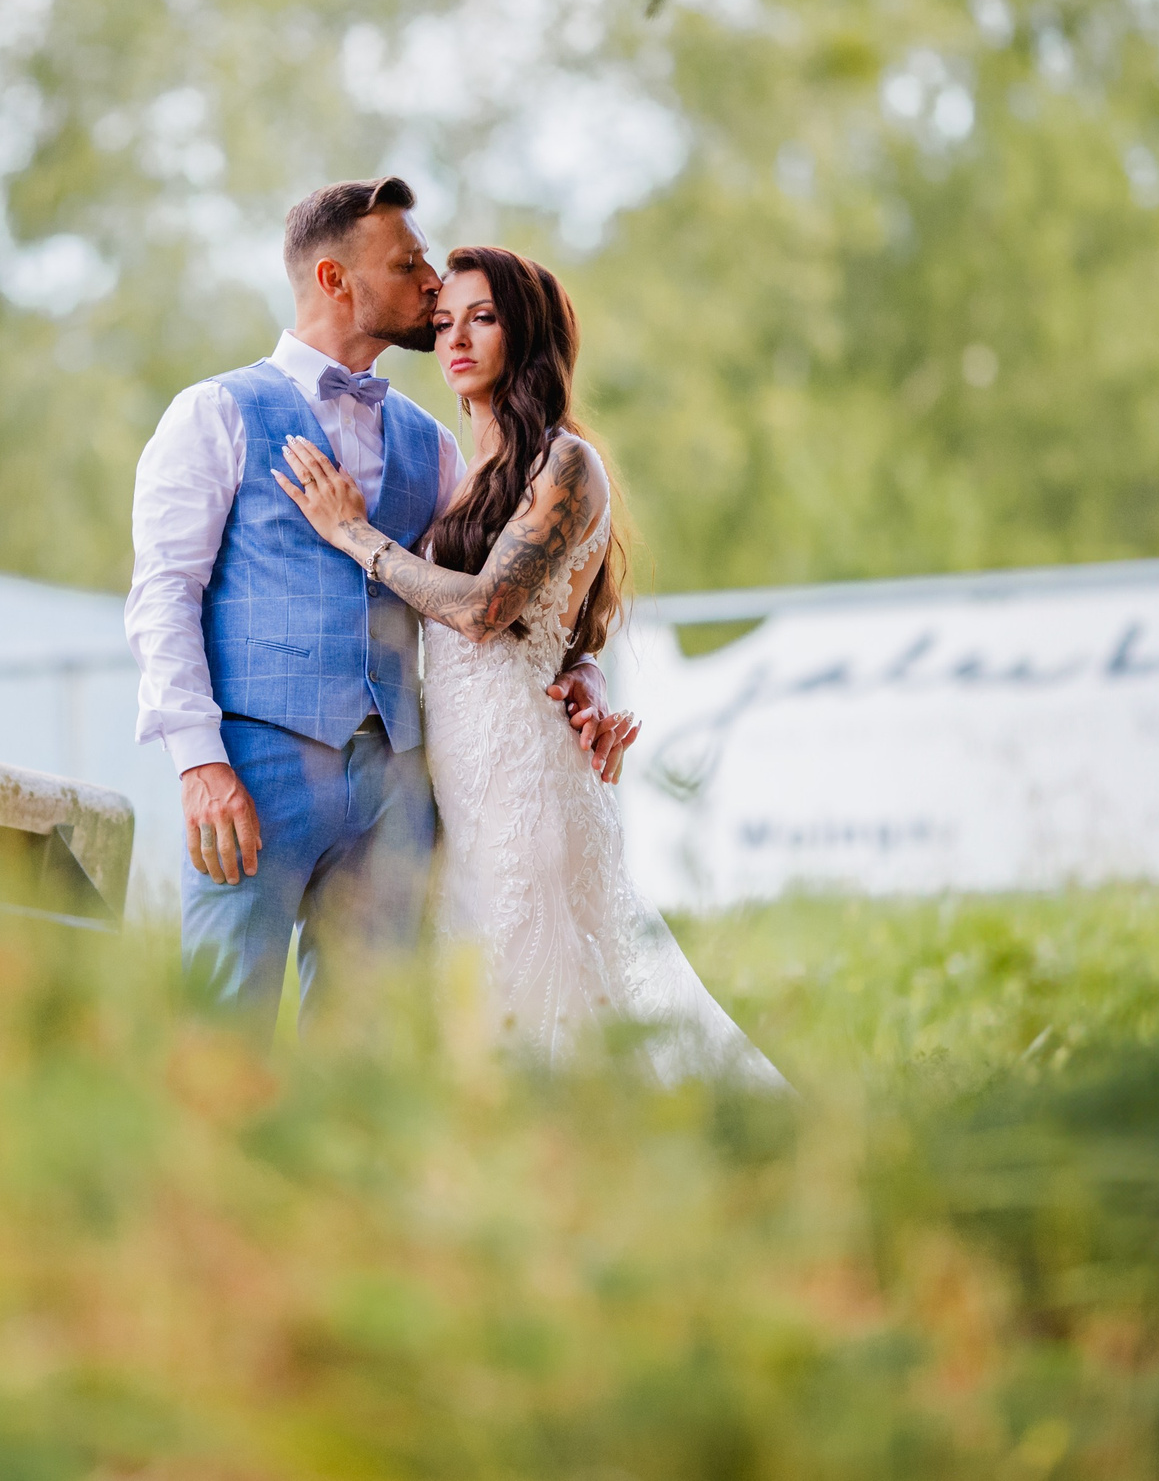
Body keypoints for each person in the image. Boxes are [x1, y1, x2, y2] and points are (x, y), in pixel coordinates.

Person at [125, 178, 637, 1026]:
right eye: (408, 264)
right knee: (225, 1029)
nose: (432, 283)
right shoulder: (213, 412)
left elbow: (507, 584)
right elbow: (162, 596)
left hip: (404, 789)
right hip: (256, 773)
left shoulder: (433, 444)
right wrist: (199, 761)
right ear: (335, 280)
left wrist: (582, 669)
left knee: (367, 1053)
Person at [272, 244, 782, 1085]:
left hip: (528, 782)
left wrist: (353, 534)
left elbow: (485, 610)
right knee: (475, 1003)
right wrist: (588, 674)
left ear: (528, 332)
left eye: (483, 317)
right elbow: (562, 635)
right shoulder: (463, 475)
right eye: (443, 323)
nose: (456, 339)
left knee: (548, 997)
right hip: (454, 786)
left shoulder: (566, 463)